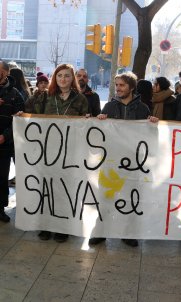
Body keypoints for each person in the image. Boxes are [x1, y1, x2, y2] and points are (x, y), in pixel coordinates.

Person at [90, 71, 158, 247]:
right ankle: (101, 232)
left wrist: (152, 125)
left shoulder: (143, 109)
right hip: (111, 160)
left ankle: (127, 233)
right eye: (117, 85)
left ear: (132, 87)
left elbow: (149, 137)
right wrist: (100, 121)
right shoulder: (109, 107)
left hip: (133, 162)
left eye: (122, 85)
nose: (118, 88)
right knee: (105, 197)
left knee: (129, 198)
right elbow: (101, 135)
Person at [38, 63, 89, 243]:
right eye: (59, 76)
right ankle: (45, 225)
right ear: (55, 78)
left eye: (67, 76)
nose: (63, 79)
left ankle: (62, 227)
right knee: (47, 187)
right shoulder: (45, 97)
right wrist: (22, 115)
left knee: (64, 189)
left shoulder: (81, 99)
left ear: (72, 78)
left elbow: (86, 125)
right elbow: (31, 116)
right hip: (48, 151)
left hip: (70, 151)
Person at [0, 61, 24, 222]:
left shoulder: (15, 94)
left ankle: (0, 209)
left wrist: (5, 136)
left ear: (6, 72)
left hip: (4, 144)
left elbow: (19, 119)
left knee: (2, 178)